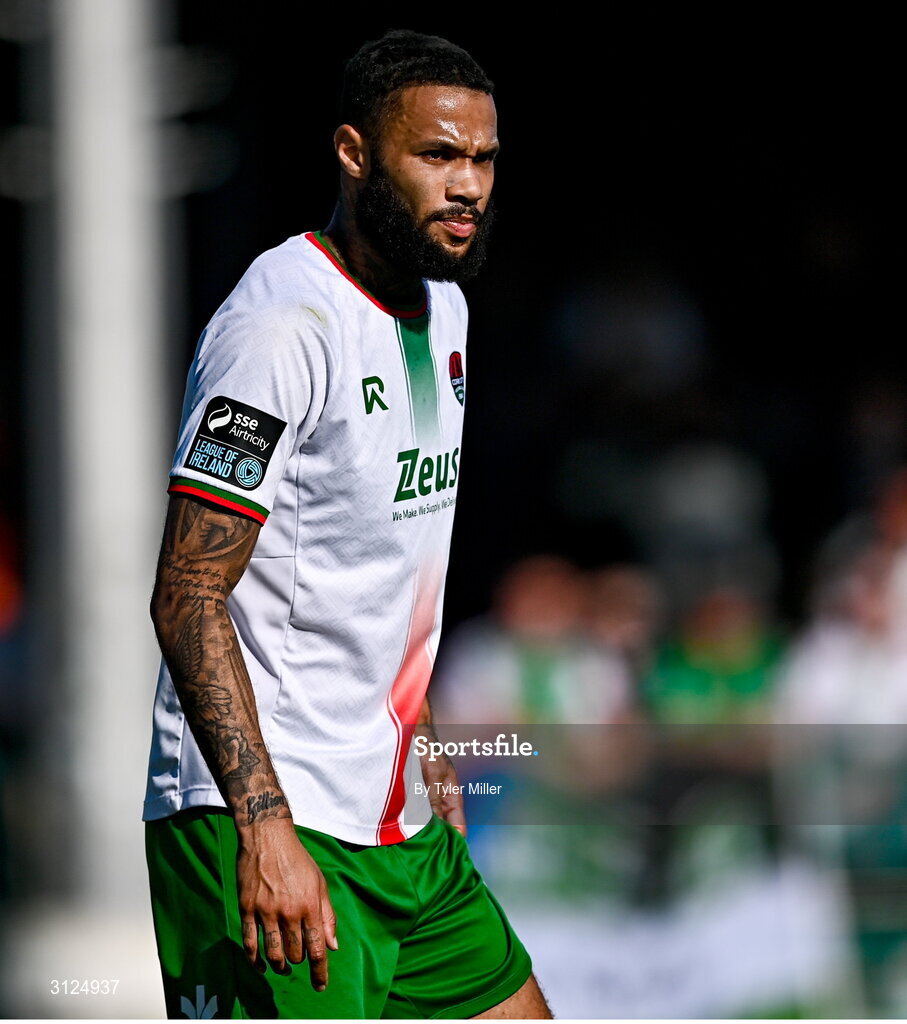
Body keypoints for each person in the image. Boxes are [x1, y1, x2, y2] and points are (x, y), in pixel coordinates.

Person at [143, 29, 551, 1020]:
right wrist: (263, 826)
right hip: (270, 820)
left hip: (396, 815)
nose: (467, 185)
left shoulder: (444, 309)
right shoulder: (280, 329)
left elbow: (386, 566)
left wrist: (423, 740)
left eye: (483, 159)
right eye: (437, 155)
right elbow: (187, 591)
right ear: (354, 152)